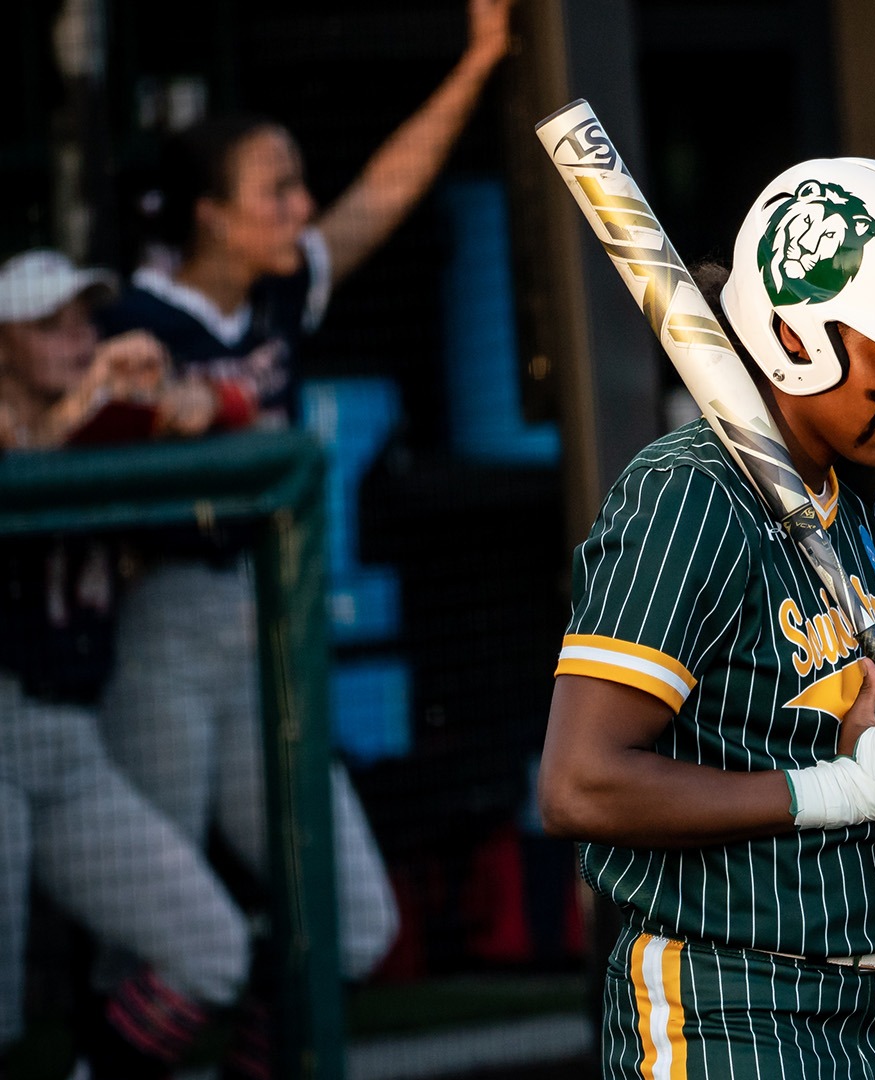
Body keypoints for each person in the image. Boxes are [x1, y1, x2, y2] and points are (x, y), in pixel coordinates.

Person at [536, 157, 875, 1080]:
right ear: (796, 334)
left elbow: (818, 743)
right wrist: (848, 793)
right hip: (729, 1009)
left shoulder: (844, 508)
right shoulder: (685, 496)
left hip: (873, 1010)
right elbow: (579, 785)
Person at [88, 0, 515, 1055]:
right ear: (208, 216)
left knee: (352, 925)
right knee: (153, 932)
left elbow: (382, 193)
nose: (301, 207)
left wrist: (482, 60)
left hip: (265, 637)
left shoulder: (276, 296)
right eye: (274, 191)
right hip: (156, 635)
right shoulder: (125, 323)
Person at [0, 248, 253, 1078]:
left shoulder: (100, 413)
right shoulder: (35, 415)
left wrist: (179, 393)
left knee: (210, 951)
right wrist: (93, 394)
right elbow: (28, 449)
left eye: (83, 321)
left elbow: (240, 411)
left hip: (70, 747)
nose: (76, 339)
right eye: (48, 326)